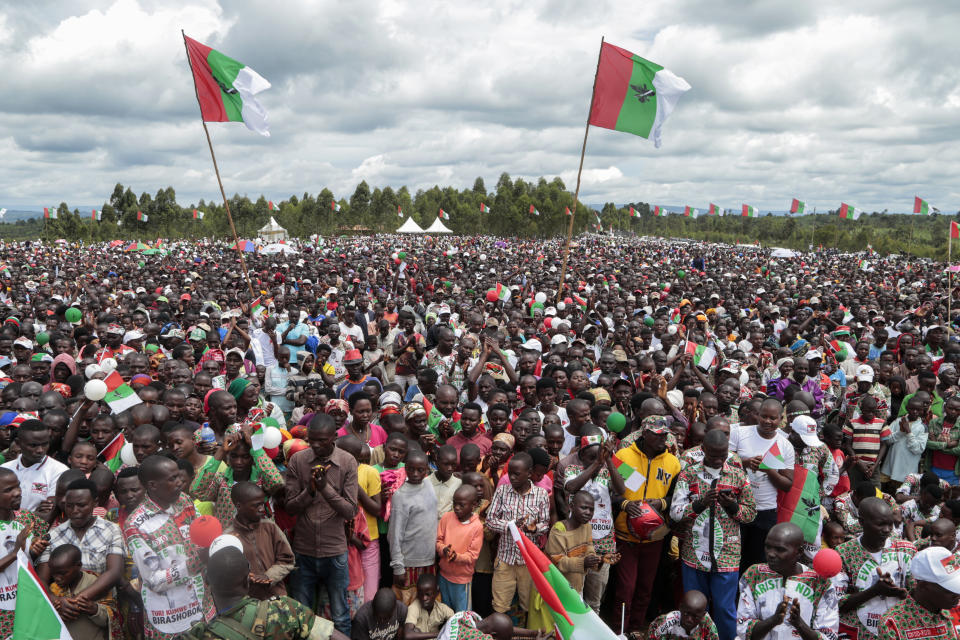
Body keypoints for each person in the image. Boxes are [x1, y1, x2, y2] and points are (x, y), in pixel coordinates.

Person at [671, 430, 756, 640]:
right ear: (703, 450)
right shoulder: (688, 474)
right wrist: (699, 504)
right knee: (694, 606)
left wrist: (733, 507)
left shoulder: (738, 475)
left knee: (725, 608)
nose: (719, 460)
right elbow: (675, 513)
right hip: (694, 553)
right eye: (713, 455)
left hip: (727, 555)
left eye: (723, 454)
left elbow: (751, 514)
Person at [123, 455, 214, 638]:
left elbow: (201, 537)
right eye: (172, 478)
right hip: (169, 620)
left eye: (179, 476)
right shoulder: (136, 525)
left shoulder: (185, 501)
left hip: (203, 607)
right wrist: (196, 562)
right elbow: (154, 580)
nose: (180, 482)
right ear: (153, 485)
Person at [285, 413, 358, 636]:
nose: (315, 445)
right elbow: (290, 507)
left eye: (321, 440)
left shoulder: (347, 462)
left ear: (334, 437)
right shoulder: (298, 461)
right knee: (302, 614)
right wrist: (310, 491)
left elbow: (350, 510)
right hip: (304, 550)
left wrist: (325, 488)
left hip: (334, 551)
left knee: (340, 614)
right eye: (311, 440)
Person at [183, 545, 346, 640]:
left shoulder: (200, 635)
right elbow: (333, 636)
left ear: (207, 581)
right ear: (247, 580)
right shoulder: (284, 610)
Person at [613, 416, 681, 632]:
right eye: (658, 434)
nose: (664, 438)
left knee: (645, 588)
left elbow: (677, 498)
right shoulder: (624, 456)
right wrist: (625, 504)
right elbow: (610, 492)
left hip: (655, 536)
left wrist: (661, 503)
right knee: (625, 588)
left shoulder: (673, 462)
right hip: (626, 535)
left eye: (665, 434)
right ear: (645, 434)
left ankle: (635, 630)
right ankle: (619, 631)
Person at [736, 522, 839, 640]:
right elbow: (743, 628)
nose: (770, 554)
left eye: (780, 549)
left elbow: (829, 636)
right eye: (768, 546)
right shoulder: (754, 574)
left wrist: (799, 623)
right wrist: (773, 620)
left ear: (799, 552)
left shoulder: (819, 583)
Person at [835, 497, 916, 639]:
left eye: (890, 524)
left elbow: (920, 593)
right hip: (859, 633)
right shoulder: (843, 553)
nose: (887, 530)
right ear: (861, 522)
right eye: (880, 524)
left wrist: (903, 594)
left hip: (897, 631)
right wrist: (875, 590)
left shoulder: (906, 550)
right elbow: (838, 605)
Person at [729, 398, 795, 570]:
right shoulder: (740, 433)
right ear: (757, 415)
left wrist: (769, 470)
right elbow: (724, 462)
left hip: (765, 511)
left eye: (773, 418)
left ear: (781, 419)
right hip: (736, 506)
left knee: (758, 561)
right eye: (763, 416)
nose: (767, 421)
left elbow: (787, 485)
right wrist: (746, 462)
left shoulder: (785, 445)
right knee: (734, 558)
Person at [484, 451, 551, 620]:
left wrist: (534, 529)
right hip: (505, 558)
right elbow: (490, 521)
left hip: (528, 562)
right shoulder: (502, 492)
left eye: (516, 474)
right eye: (509, 473)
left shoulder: (541, 495)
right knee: (499, 606)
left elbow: (545, 524)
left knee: (528, 606)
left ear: (529, 473)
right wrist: (510, 526)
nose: (511, 477)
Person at [223, 481, 295, 599]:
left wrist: (268, 576)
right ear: (239, 506)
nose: (262, 509)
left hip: (277, 598)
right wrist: (248, 579)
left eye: (262, 504)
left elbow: (287, 559)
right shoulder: (228, 537)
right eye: (256, 505)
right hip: (249, 604)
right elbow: (227, 576)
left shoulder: (270, 527)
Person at [387, 450, 438, 603]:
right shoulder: (400, 496)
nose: (415, 474)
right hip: (409, 563)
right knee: (408, 606)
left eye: (420, 470)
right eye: (411, 469)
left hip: (429, 560)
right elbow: (394, 534)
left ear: (426, 469)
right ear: (405, 468)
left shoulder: (428, 484)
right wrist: (398, 566)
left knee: (427, 606)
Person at [878, 546, 960, 640]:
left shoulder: (953, 610)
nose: (958, 594)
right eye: (950, 589)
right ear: (924, 586)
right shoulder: (892, 624)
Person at [1, 418, 67, 517]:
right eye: (33, 445)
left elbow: (47, 515)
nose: (40, 450)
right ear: (18, 443)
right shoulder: (4, 469)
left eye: (45, 444)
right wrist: (34, 514)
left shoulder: (59, 471)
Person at [47, 544, 113, 640]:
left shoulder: (95, 583)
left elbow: (110, 619)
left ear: (78, 565)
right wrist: (55, 611)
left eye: (63, 573)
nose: (57, 578)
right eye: (53, 574)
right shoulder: (54, 589)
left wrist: (94, 610)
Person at [436, 484, 483, 612]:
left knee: (462, 615)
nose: (456, 508)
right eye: (454, 504)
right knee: (445, 612)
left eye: (461, 505)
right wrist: (443, 549)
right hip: (443, 576)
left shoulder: (477, 527)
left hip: (462, 580)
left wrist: (457, 557)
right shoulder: (446, 517)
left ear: (473, 505)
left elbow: (472, 556)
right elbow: (438, 541)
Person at [647, 590, 719, 640]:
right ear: (680, 608)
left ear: (703, 615)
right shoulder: (665, 622)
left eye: (695, 616)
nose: (689, 619)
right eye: (686, 614)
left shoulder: (707, 624)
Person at [404, 573, 455, 640]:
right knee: (416, 631)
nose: (424, 598)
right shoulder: (414, 607)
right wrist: (438, 634)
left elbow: (456, 621)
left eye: (428, 594)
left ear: (437, 592)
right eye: (421, 594)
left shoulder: (441, 608)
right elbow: (408, 635)